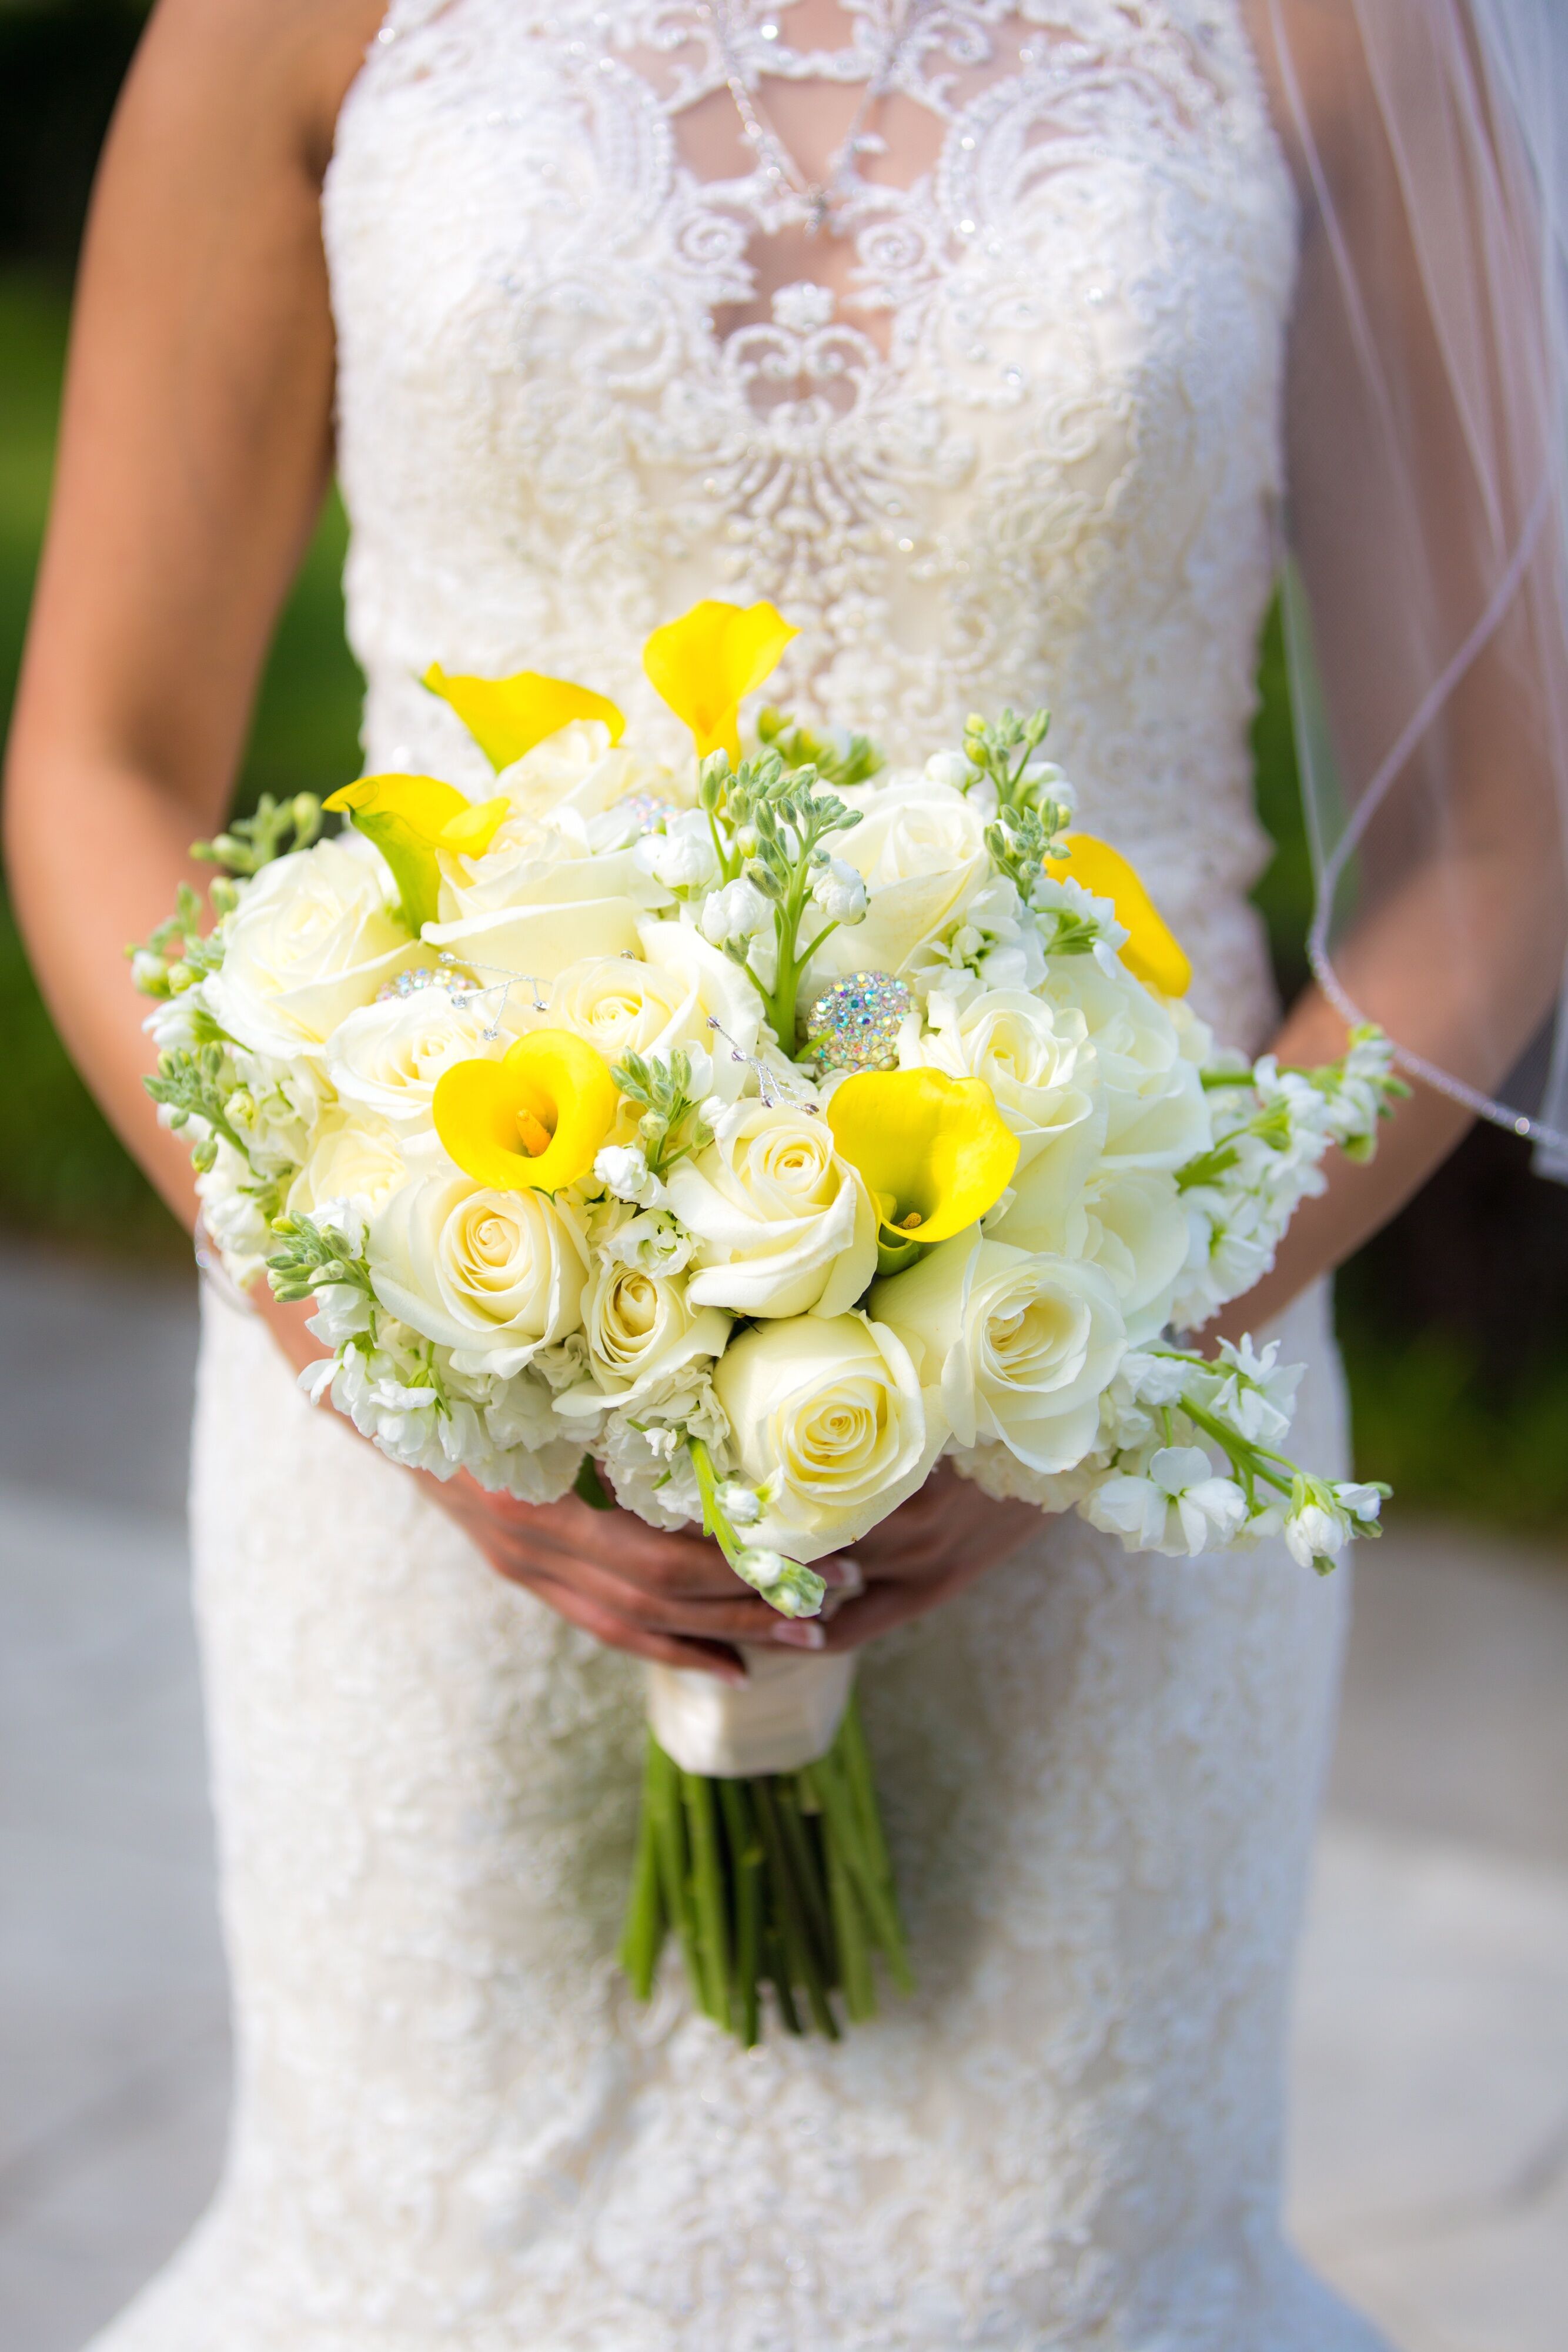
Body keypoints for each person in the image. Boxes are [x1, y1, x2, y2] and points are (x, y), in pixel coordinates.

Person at [5, 2, 1563, 2344]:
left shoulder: (1321, 20)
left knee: (1048, 2281)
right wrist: (375, 1319)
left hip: (1110, 1414)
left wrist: (1122, 1336)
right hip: (437, 1425)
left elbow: (1490, 835)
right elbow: (102, 750)